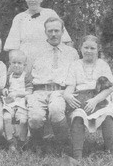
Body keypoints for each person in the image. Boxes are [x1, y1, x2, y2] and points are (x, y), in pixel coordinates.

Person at [27, 17, 79, 152]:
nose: (53, 34)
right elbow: (26, 76)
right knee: (35, 117)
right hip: (39, 91)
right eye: (50, 31)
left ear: (62, 32)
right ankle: (38, 145)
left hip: (61, 91)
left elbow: (78, 75)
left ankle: (64, 145)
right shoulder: (35, 52)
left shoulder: (71, 53)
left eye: (57, 30)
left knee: (56, 110)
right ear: (45, 32)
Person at [64, 35, 113, 160]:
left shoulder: (102, 64)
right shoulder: (75, 65)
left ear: (98, 49)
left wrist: (95, 100)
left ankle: (110, 151)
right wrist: (67, 96)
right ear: (80, 48)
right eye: (85, 47)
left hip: (99, 99)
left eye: (92, 48)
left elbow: (109, 88)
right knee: (77, 116)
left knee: (108, 115)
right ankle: (77, 156)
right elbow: (70, 87)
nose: (88, 51)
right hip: (81, 99)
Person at [4, 0, 72, 73]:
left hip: (47, 59)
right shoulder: (19, 18)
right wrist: (16, 66)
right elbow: (12, 47)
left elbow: (66, 41)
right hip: (25, 62)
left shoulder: (50, 13)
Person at [2, 49, 32, 152]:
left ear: (24, 65)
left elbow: (29, 91)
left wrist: (17, 94)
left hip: (22, 102)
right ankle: (10, 141)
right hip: (10, 101)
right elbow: (5, 87)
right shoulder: (8, 76)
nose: (16, 65)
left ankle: (21, 143)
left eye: (19, 63)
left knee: (23, 120)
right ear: (10, 64)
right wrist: (5, 90)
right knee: (6, 118)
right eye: (13, 63)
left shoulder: (26, 76)